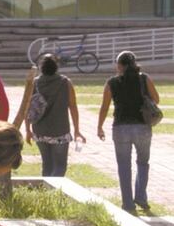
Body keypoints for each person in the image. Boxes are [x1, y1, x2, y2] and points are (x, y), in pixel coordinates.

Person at [98, 50, 160, 213]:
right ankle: (141, 197)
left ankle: (128, 203)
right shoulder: (144, 79)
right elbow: (156, 99)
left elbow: (104, 107)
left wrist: (99, 126)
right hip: (142, 127)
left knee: (124, 166)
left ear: (119, 65)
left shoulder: (112, 82)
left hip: (120, 128)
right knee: (143, 163)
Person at [26, 54, 85, 178]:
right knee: (59, 167)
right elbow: (73, 106)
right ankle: (54, 191)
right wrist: (77, 130)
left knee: (46, 165)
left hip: (40, 131)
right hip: (60, 131)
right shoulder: (65, 83)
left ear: (41, 68)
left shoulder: (35, 83)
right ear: (56, 67)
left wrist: (27, 130)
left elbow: (28, 107)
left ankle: (46, 192)